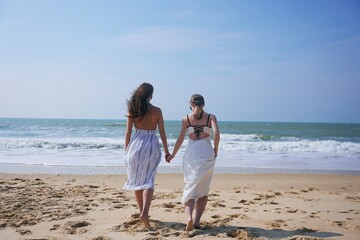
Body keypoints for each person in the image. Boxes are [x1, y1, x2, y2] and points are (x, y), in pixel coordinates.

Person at [166, 94, 220, 231]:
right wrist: (215, 149)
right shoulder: (211, 117)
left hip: (191, 155)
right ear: (204, 104)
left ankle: (189, 217)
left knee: (190, 186)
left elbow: (179, 139)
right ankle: (196, 221)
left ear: (191, 104)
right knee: (203, 190)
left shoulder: (186, 119)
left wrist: (172, 155)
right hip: (206, 154)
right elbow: (217, 134)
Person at [123, 82, 170, 229]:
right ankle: (145, 213)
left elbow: (128, 132)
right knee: (149, 181)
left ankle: (141, 211)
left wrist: (126, 149)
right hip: (151, 145)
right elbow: (162, 132)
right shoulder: (157, 111)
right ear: (150, 96)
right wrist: (167, 150)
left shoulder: (133, 109)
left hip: (136, 146)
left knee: (137, 180)